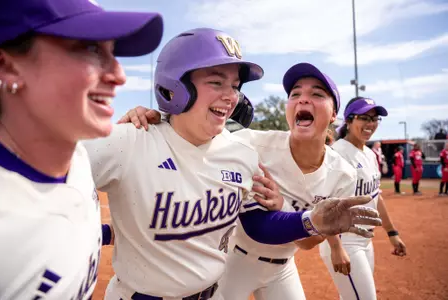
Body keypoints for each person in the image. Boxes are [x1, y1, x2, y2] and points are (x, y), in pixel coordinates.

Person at [85, 29, 381, 300]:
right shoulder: (128, 140)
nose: (231, 96)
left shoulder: (241, 152)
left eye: (235, 86)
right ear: (175, 85)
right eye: (216, 81)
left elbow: (257, 224)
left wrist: (311, 221)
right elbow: (48, 190)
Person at [0, 0, 164, 299]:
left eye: (112, 52)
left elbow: (52, 235)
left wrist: (116, 232)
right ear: (6, 66)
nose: (119, 75)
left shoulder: (73, 156)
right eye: (90, 49)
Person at [333, 96, 407, 300]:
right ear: (348, 121)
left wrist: (392, 233)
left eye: (375, 119)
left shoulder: (369, 153)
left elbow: (376, 198)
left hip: (366, 240)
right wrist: (336, 247)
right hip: (345, 240)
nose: (371, 124)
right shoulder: (337, 153)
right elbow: (325, 203)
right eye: (364, 118)